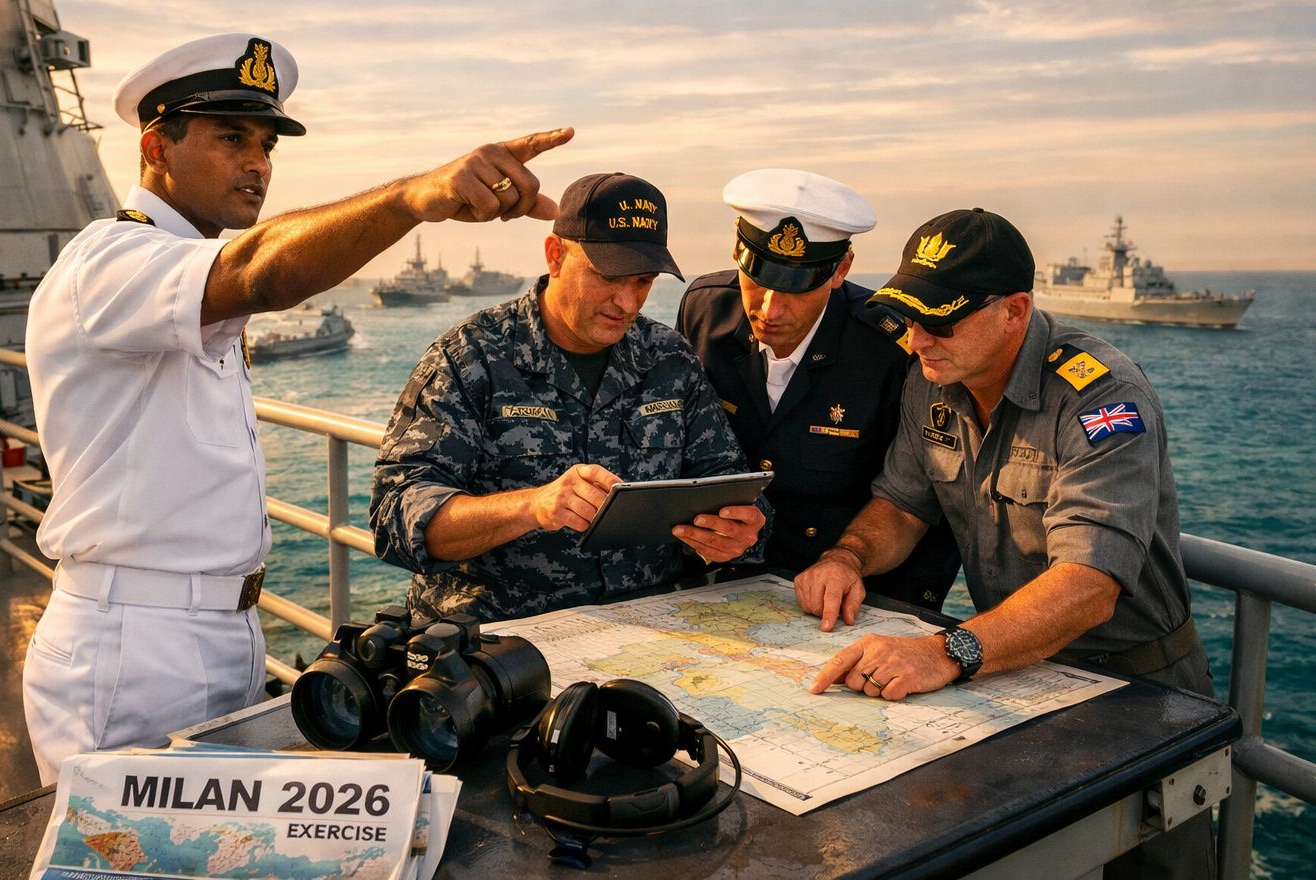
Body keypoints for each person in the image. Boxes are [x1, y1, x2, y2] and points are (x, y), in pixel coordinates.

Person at [21, 33, 574, 783]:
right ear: (156, 145)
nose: (257, 163)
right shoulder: (110, 261)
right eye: (230, 138)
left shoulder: (176, 269)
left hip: (220, 628)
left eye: (266, 144)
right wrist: (417, 198)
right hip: (132, 646)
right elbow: (259, 272)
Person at [795, 208, 1213, 879]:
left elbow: (1088, 586)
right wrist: (846, 557)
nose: (916, 339)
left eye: (939, 320)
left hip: (1135, 689)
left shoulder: (1100, 397)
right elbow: (903, 505)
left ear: (1014, 311)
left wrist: (948, 652)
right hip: (1014, 673)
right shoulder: (932, 381)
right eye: (908, 317)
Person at [371, 172, 769, 623]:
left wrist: (740, 528)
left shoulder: (668, 357)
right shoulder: (471, 357)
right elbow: (395, 515)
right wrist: (531, 506)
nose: (627, 302)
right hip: (500, 644)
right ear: (555, 255)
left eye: (643, 281)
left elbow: (726, 477)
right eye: (607, 276)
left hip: (649, 631)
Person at [676, 169, 960, 608]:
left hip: (849, 591)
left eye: (796, 287)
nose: (769, 308)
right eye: (758, 278)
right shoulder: (704, 310)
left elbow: (915, 496)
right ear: (736, 248)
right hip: (727, 578)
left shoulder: (888, 348)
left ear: (840, 269)